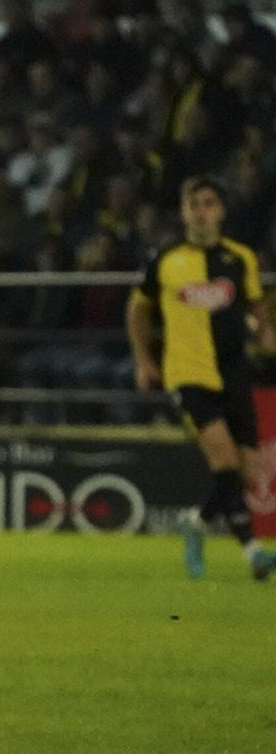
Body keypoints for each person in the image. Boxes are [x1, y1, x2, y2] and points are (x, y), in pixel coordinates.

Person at [126, 176, 276, 581]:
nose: (201, 211)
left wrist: (264, 332)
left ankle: (195, 521)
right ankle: (253, 551)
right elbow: (138, 309)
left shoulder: (240, 258)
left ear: (221, 211)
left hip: (234, 375)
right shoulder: (167, 260)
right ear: (184, 211)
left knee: (244, 472)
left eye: (209, 203)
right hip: (187, 374)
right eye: (194, 204)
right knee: (224, 459)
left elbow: (257, 303)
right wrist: (144, 360)